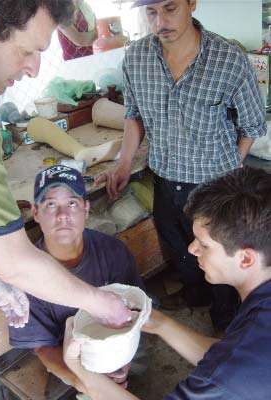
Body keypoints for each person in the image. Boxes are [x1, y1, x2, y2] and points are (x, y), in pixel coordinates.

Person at [0, 2, 131, 399]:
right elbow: (18, 263)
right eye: (28, 50)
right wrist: (102, 304)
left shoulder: (110, 254)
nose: (34, 69)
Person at [95, 0, 266, 329]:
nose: (160, 22)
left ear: (191, 3)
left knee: (221, 260)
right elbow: (133, 116)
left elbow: (253, 125)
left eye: (170, 8)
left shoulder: (228, 60)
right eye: (151, 12)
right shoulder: (137, 57)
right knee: (181, 250)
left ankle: (224, 325)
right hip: (164, 179)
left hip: (214, 187)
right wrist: (123, 163)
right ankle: (194, 297)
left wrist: (231, 173)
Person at [65, 166, 271, 399]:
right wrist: (158, 322)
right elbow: (228, 356)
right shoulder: (260, 306)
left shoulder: (224, 377)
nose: (192, 249)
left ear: (245, 258)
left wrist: (81, 370)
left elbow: (227, 369)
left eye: (204, 245)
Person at [8, 165, 145, 396]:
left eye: (72, 203)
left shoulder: (112, 251)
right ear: (35, 213)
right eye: (51, 204)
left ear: (86, 209)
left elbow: (137, 312)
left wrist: (122, 360)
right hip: (66, 357)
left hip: (118, 345)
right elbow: (42, 346)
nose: (63, 215)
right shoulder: (26, 276)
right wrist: (85, 382)